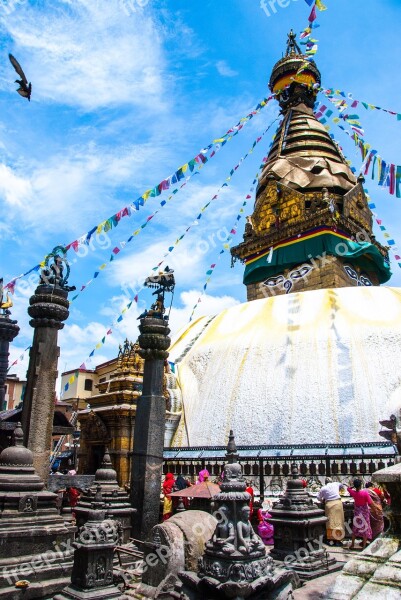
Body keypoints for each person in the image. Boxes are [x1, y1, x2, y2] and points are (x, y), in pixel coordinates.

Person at [317, 477, 345, 546]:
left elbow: (318, 498)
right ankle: (338, 540)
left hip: (329, 505)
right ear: (331, 481)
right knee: (339, 522)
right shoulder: (336, 484)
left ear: (325, 482)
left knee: (330, 523)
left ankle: (331, 540)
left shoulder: (323, 488)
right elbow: (342, 486)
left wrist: (322, 500)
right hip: (338, 503)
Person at [347, 478, 373, 550]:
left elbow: (348, 489)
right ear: (361, 485)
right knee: (365, 528)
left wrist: (353, 486)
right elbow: (370, 503)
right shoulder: (365, 493)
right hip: (364, 513)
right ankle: (364, 546)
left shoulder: (353, 493)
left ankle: (352, 544)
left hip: (357, 513)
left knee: (355, 528)